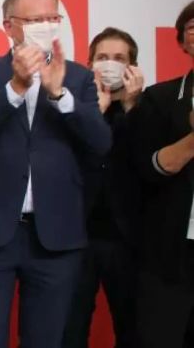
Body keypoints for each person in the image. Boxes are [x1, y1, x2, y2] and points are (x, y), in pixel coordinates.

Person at [0, 0, 111, 348]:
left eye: (52, 18)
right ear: (10, 26)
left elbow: (100, 142)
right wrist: (15, 86)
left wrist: (59, 95)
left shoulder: (78, 77)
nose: (46, 26)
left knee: (45, 339)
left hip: (56, 237)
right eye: (35, 20)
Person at [62, 27, 144, 348]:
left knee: (133, 327)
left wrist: (131, 108)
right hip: (77, 236)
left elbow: (146, 162)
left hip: (129, 239)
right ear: (89, 64)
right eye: (102, 58)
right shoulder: (73, 108)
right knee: (70, 328)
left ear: (132, 67)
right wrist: (94, 111)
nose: (110, 64)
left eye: (119, 58)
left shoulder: (148, 109)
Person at [133, 0, 194, 348]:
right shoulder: (160, 98)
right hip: (172, 253)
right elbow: (151, 169)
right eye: (192, 27)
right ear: (182, 40)